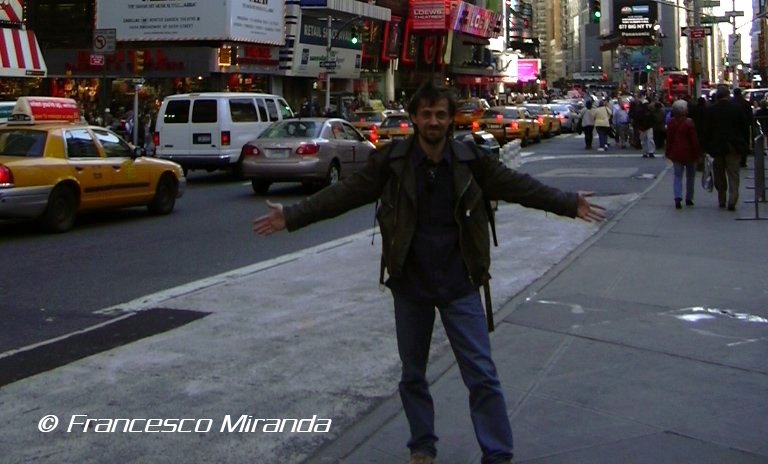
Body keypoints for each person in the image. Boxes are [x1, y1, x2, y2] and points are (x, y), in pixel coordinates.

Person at [253, 81, 604, 464]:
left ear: (451, 119)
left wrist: (568, 203)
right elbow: (345, 194)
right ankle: (422, 445)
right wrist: (291, 215)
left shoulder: (471, 160)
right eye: (426, 115)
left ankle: (498, 452)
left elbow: (519, 187)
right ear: (415, 119)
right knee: (413, 374)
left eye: (440, 114)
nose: (433, 122)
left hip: (461, 283)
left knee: (482, 373)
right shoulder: (393, 161)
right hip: (410, 285)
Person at [705, 85, 750, 211]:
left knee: (719, 173)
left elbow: (707, 130)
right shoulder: (737, 109)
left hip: (717, 147)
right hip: (734, 146)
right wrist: (745, 145)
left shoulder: (711, 110)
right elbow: (744, 127)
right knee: (733, 174)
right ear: (727, 95)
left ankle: (722, 198)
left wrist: (707, 147)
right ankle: (733, 198)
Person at [665, 99, 701, 208]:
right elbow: (694, 140)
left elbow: (669, 139)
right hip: (689, 153)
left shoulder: (671, 122)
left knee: (677, 175)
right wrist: (698, 153)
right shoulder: (689, 123)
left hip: (676, 152)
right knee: (690, 176)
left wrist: (668, 152)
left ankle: (677, 197)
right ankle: (689, 197)